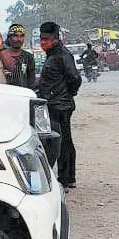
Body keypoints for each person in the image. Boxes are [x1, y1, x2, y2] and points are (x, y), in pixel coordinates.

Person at [37, 21, 81, 189]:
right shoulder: (52, 54)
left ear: (55, 39)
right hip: (54, 103)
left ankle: (66, 178)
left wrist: (66, 94)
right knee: (62, 140)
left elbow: (75, 79)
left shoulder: (62, 55)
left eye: (46, 39)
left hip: (60, 106)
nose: (42, 43)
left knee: (61, 142)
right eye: (41, 39)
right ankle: (67, 178)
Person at [1, 23, 37, 89]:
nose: (19, 39)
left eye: (21, 36)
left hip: (22, 94)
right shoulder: (1, 56)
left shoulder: (28, 57)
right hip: (4, 93)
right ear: (9, 38)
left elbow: (31, 81)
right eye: (15, 36)